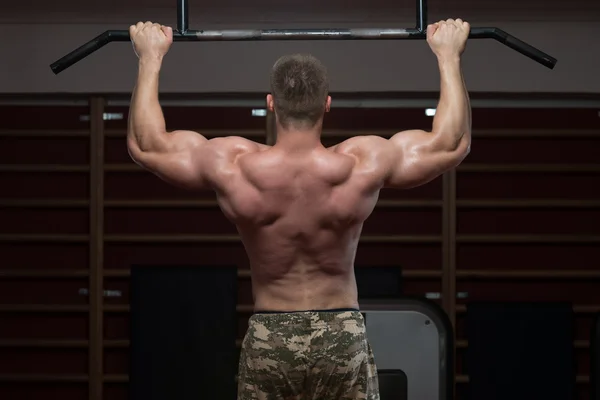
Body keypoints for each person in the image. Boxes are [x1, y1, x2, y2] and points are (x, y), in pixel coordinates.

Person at [127, 18, 471, 400]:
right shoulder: (361, 163)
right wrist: (448, 55)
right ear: (327, 103)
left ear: (270, 103)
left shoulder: (234, 165)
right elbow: (450, 143)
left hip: (271, 335)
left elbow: (147, 145)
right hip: (341, 333)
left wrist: (150, 57)